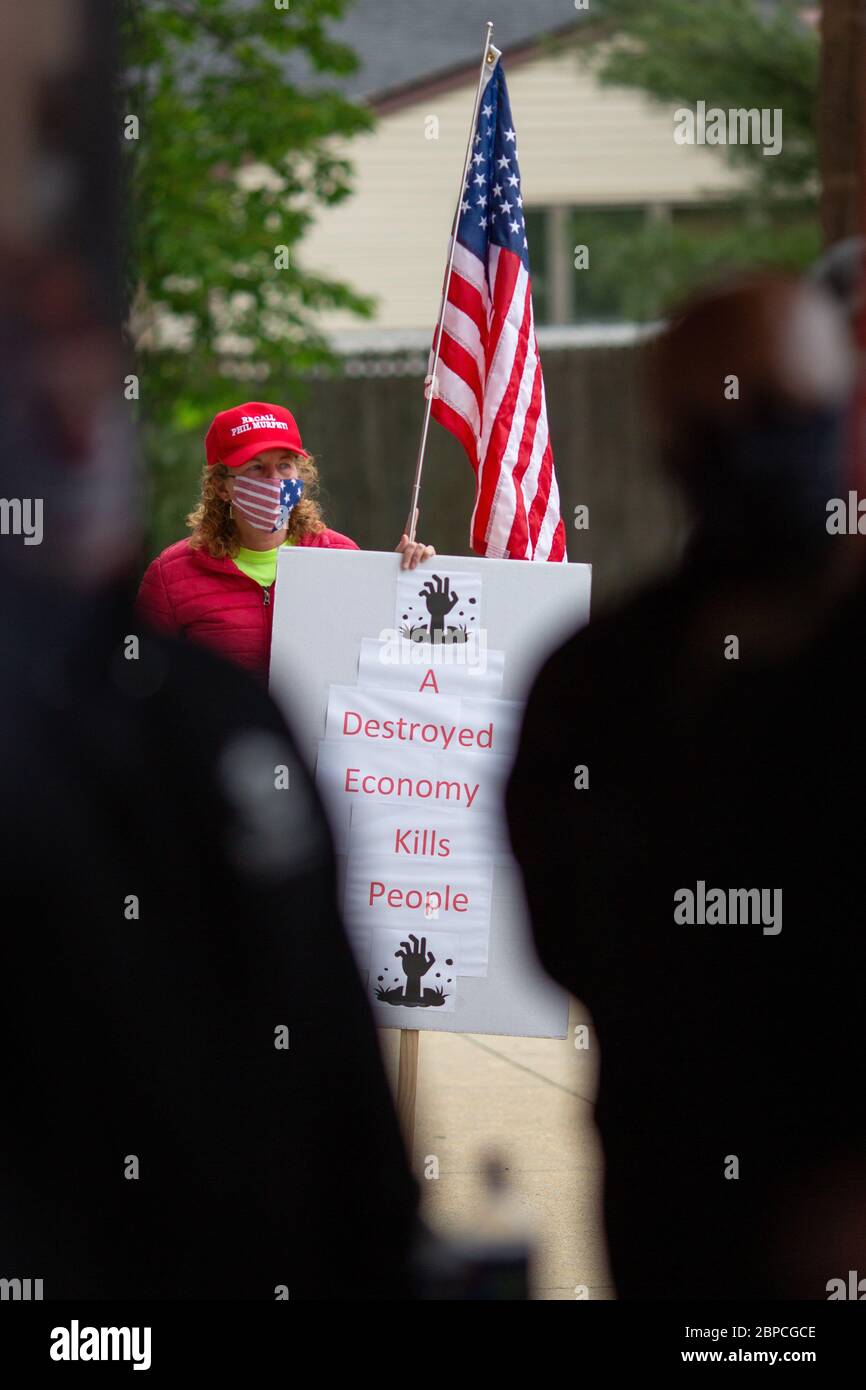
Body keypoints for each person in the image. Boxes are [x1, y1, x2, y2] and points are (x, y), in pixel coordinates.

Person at [505, 272, 866, 1299]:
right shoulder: (594, 681)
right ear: (667, 433)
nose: (759, 441)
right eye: (725, 416)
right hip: (677, 1205)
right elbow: (565, 933)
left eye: (785, 410)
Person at [135, 400, 436, 681]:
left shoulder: (340, 556)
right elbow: (140, 680)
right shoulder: (171, 576)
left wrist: (401, 582)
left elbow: (380, 656)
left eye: (284, 465)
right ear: (221, 486)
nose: (274, 480)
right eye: (256, 467)